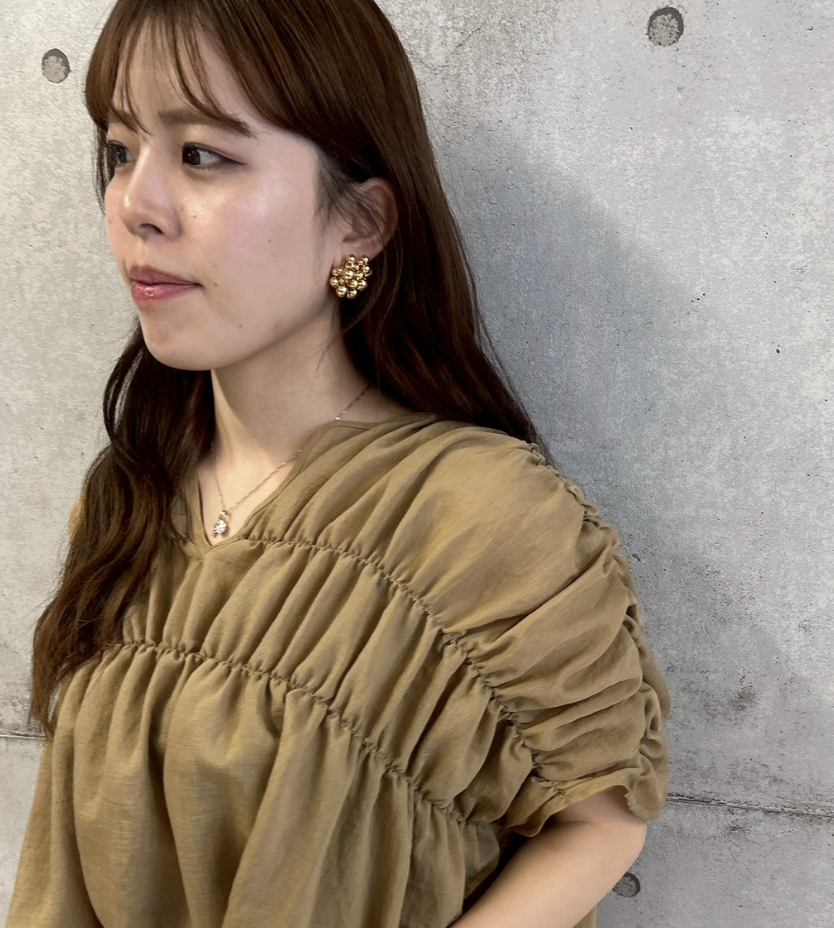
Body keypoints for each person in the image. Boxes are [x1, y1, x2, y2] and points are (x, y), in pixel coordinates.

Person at [6, 1, 671, 927]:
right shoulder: (128, 499)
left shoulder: (482, 521)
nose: (134, 204)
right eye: (120, 151)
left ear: (359, 221)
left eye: (202, 154)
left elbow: (600, 819)